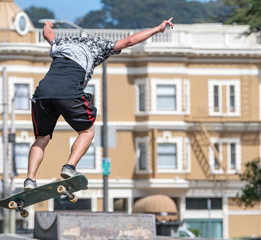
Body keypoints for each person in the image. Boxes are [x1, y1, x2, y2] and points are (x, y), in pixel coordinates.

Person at [24, 17, 174, 190]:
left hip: (42, 93)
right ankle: (69, 167)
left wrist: (47, 24)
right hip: (69, 92)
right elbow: (129, 41)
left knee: (41, 138)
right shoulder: (98, 45)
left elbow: (48, 33)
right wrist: (157, 29)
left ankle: (30, 179)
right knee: (87, 132)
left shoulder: (61, 43)